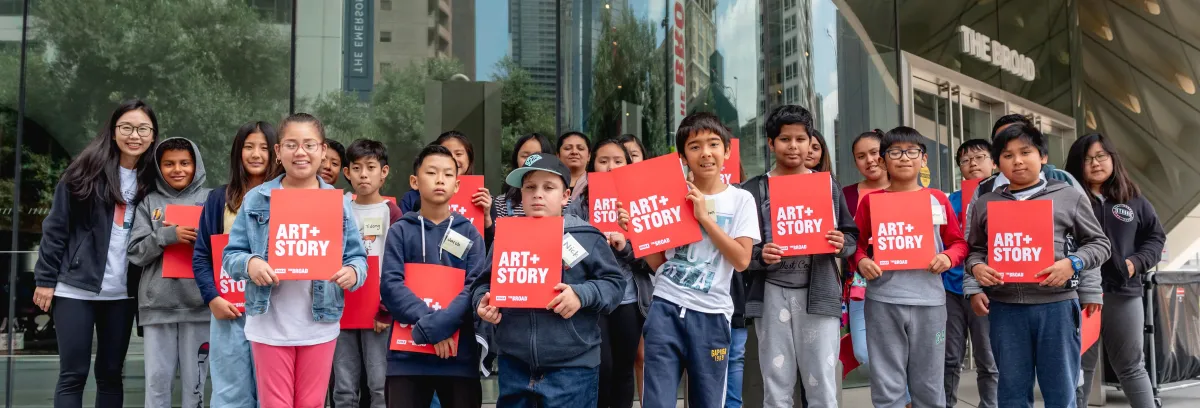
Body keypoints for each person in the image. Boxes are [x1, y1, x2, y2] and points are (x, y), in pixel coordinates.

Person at [222, 113, 368, 407]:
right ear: (278, 152)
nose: (300, 152)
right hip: (268, 324)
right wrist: (250, 264)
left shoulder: (338, 202)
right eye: (291, 144)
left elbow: (357, 257)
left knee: (312, 404)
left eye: (309, 145)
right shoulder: (257, 199)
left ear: (323, 151)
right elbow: (231, 256)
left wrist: (352, 273)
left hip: (320, 324)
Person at [963, 123, 1108, 408]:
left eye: (1025, 152)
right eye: (1007, 155)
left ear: (1042, 156)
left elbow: (1100, 244)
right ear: (997, 163)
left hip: (1057, 307)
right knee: (1012, 394)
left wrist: (1073, 263)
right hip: (1005, 309)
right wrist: (976, 269)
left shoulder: (1068, 195)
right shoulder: (986, 202)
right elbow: (975, 250)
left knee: (1060, 393)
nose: (1017, 160)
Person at [472, 153, 625, 408]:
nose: (538, 194)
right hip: (514, 365)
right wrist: (483, 302)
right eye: (529, 187)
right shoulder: (506, 235)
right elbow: (483, 284)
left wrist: (581, 295)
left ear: (566, 196)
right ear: (521, 194)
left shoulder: (587, 235)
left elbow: (614, 284)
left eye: (549, 187)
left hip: (572, 369)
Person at [631, 113, 761, 408]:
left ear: (727, 151)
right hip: (665, 308)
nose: (705, 153)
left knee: (708, 402)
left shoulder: (741, 200)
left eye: (713, 144)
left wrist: (704, 217)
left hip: (712, 316)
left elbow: (741, 260)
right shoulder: (667, 197)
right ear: (682, 156)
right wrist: (637, 231)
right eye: (695, 146)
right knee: (657, 402)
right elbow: (658, 264)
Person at [33, 100, 158, 408]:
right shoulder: (85, 170)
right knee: (73, 374)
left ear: (153, 136)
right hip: (75, 288)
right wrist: (45, 279)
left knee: (111, 374)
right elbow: (56, 227)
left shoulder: (153, 179)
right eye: (126, 127)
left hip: (122, 293)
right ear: (113, 131)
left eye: (143, 128)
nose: (134, 135)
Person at [742, 105, 858, 408]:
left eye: (800, 139)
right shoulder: (754, 190)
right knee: (776, 382)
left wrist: (839, 243)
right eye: (784, 139)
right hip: (771, 294)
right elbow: (740, 249)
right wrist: (759, 255)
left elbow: (851, 237)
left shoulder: (827, 186)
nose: (793, 146)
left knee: (821, 381)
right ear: (771, 143)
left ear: (810, 142)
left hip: (818, 294)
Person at [853, 126, 968, 408]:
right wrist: (862, 261)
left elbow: (959, 243)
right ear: (883, 161)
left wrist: (948, 258)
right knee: (886, 383)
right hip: (883, 301)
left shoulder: (938, 199)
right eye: (894, 152)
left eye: (912, 151)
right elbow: (853, 245)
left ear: (923, 159)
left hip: (930, 302)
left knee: (929, 384)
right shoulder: (871, 201)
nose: (904, 158)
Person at [381, 144, 488, 408]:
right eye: (431, 172)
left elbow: (474, 287)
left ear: (457, 185)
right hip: (407, 356)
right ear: (414, 181)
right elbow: (391, 286)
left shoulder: (471, 233)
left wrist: (440, 327)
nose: (440, 180)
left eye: (448, 174)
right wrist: (434, 328)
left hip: (458, 355)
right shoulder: (400, 230)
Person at [1066, 133, 1163, 408]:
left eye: (1101, 156)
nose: (1095, 163)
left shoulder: (1133, 199)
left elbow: (1155, 237)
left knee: (1132, 366)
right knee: (1078, 370)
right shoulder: (1067, 197)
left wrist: (1135, 263)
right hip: (1078, 296)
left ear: (1112, 159)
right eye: (1087, 159)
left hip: (1123, 292)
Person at [193, 121, 281, 408]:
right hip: (229, 310)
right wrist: (212, 298)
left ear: (276, 153)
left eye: (264, 148)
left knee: (269, 393)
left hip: (272, 309)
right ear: (237, 151)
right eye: (249, 146)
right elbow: (203, 255)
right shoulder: (219, 199)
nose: (256, 154)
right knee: (230, 393)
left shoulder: (285, 197)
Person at [126, 137, 213, 408]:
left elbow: (223, 248)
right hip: (157, 307)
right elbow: (135, 253)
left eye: (185, 163)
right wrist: (166, 235)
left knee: (196, 385)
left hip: (200, 306)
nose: (178, 169)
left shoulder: (211, 199)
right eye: (169, 164)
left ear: (196, 165)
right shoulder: (147, 201)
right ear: (158, 167)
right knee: (156, 382)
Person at [564, 139, 644, 408]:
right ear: (592, 165)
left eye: (618, 161)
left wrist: (625, 246)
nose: (611, 167)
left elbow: (648, 255)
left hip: (628, 296)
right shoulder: (577, 205)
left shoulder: (640, 202)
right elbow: (567, 250)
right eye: (604, 161)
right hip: (593, 297)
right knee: (602, 365)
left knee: (623, 367)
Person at [332, 139, 406, 408]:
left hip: (377, 312)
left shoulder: (392, 212)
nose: (364, 174)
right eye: (357, 168)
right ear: (347, 172)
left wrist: (386, 309)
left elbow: (397, 264)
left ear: (383, 172)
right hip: (341, 308)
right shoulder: (339, 208)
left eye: (371, 167)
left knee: (380, 386)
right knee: (343, 388)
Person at [941, 138, 1000, 408]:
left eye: (979, 157)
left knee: (988, 358)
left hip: (988, 288)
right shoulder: (948, 200)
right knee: (949, 357)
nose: (972, 164)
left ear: (994, 162)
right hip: (951, 288)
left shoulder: (1003, 196)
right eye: (965, 160)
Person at [842, 129, 888, 378]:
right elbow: (844, 241)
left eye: (874, 152)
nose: (870, 160)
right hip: (861, 285)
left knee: (903, 350)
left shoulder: (907, 190)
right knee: (863, 351)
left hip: (903, 284)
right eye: (861, 156)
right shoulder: (846, 195)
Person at [399, 131, 491, 226]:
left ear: (469, 158)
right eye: (446, 154)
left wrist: (486, 217)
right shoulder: (411, 198)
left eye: (458, 154)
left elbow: (490, 239)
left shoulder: (482, 197)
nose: (453, 159)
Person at [494, 133, 559, 219]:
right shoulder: (501, 203)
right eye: (525, 156)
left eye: (537, 156)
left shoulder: (565, 202)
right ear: (516, 159)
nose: (531, 161)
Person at [558, 131, 592, 201]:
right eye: (567, 148)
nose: (574, 152)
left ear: (589, 156)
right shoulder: (549, 181)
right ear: (558, 155)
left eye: (580, 148)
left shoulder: (597, 184)